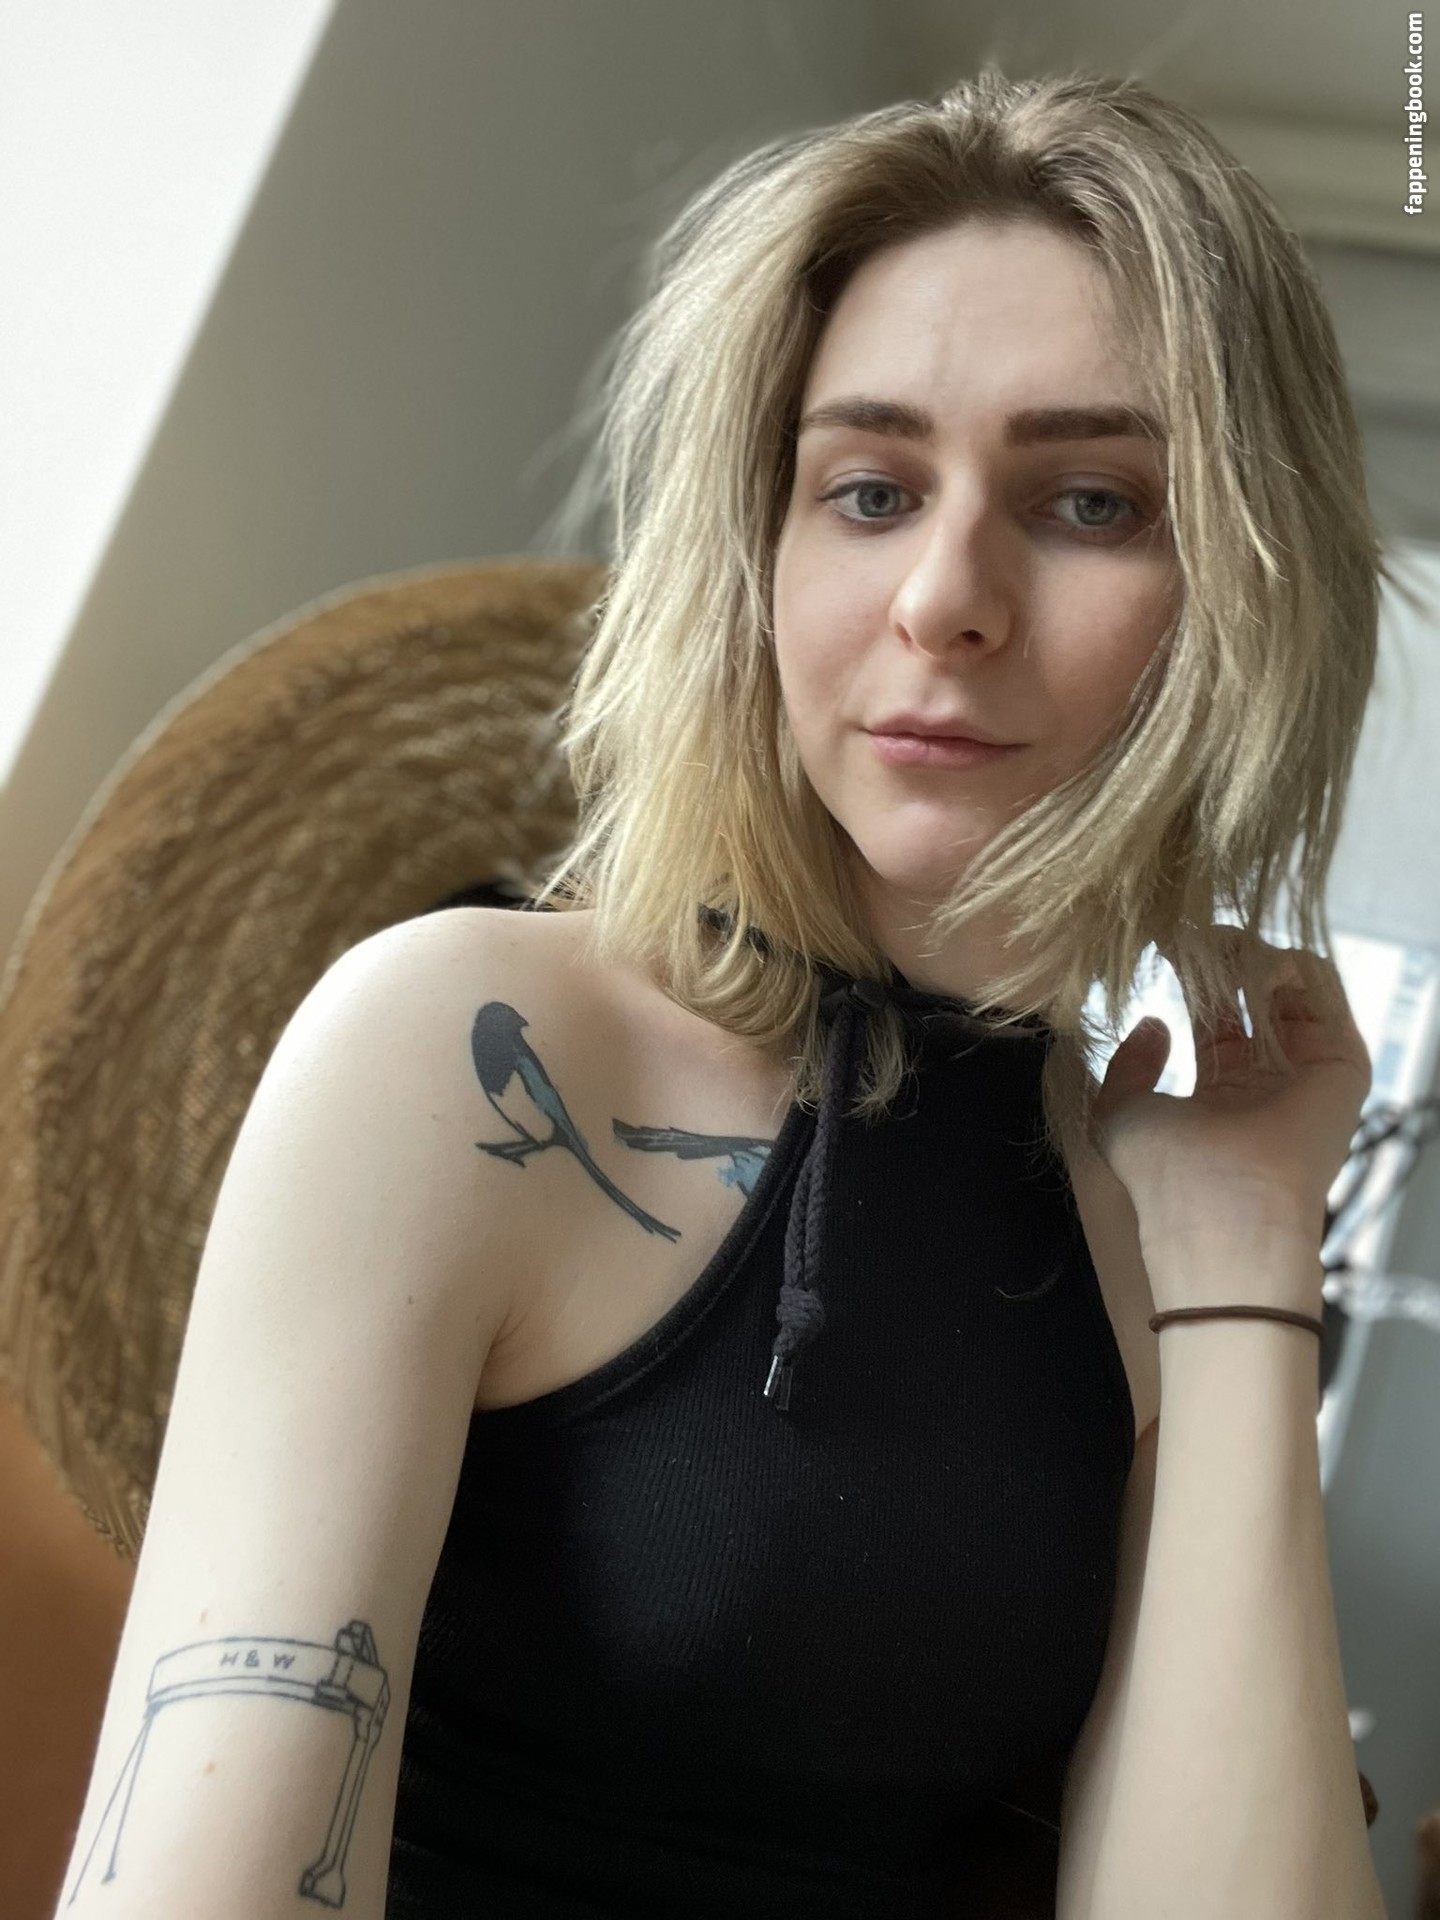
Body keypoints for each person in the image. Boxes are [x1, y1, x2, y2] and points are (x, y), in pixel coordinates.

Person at [55, 67, 1384, 1920]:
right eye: (868, 490)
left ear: (1242, 593)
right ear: (755, 549)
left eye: (1090, 501)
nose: (945, 596)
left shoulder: (1154, 1208)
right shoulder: (465, 1053)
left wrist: (1244, 1256)